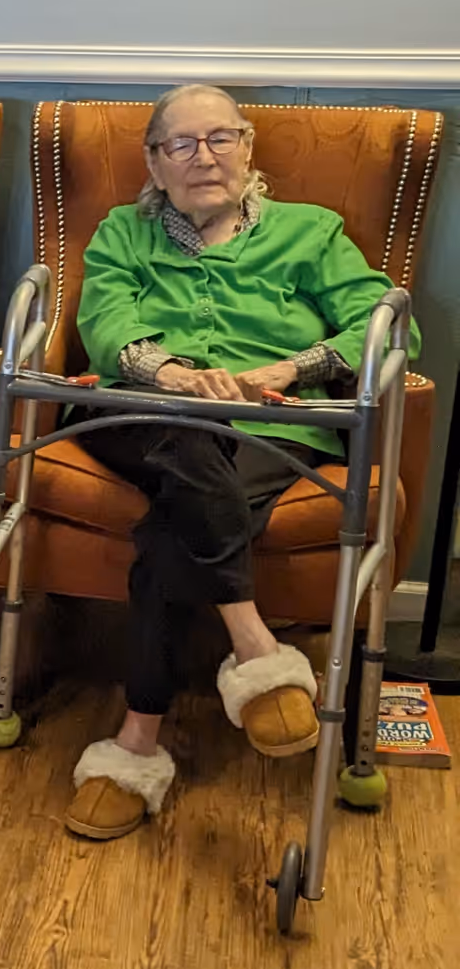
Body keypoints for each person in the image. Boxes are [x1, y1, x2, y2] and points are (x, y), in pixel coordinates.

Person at [65, 83, 418, 840]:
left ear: (248, 147)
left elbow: (387, 331)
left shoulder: (312, 232)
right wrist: (178, 379)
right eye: (182, 145)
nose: (205, 157)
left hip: (273, 425)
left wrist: (289, 370)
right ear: (154, 163)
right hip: (142, 413)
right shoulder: (122, 233)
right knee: (187, 436)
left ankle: (136, 741)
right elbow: (105, 326)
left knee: (172, 524)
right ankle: (255, 646)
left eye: (221, 139)